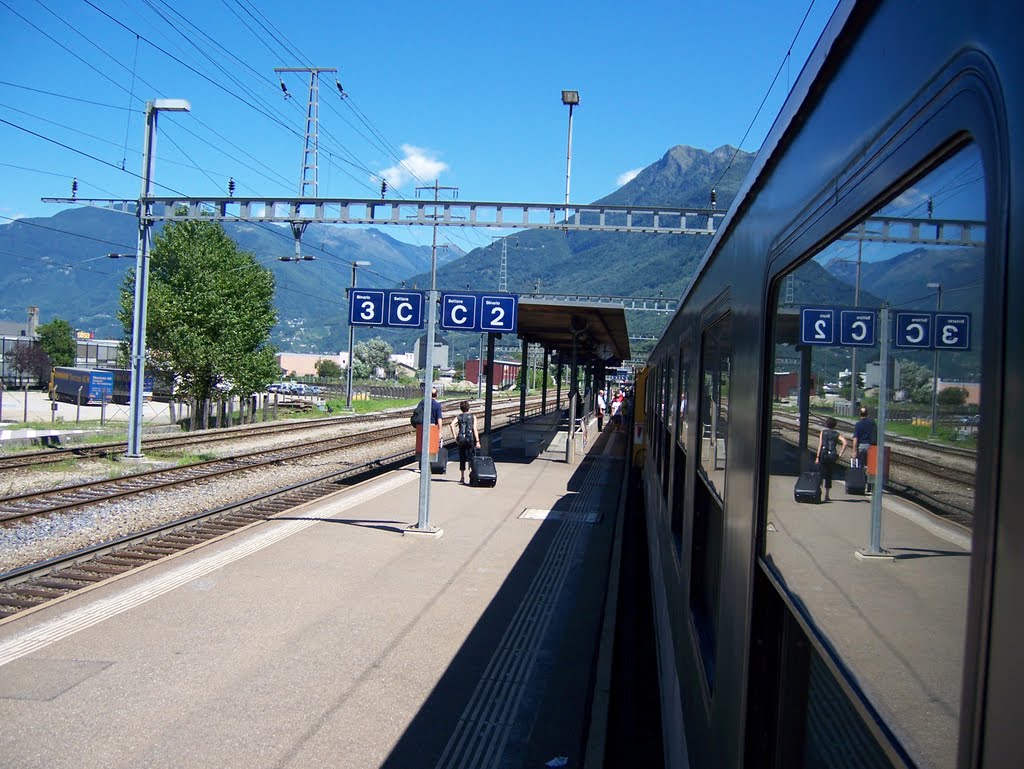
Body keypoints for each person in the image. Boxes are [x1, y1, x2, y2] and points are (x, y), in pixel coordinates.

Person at [815, 416, 848, 501]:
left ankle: (818, 491)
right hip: (832, 455)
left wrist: (817, 457)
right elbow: (845, 442)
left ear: (827, 424)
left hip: (823, 454)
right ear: (835, 425)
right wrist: (840, 454)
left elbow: (820, 445)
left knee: (821, 474)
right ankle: (827, 495)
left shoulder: (823, 432)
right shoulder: (837, 434)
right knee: (829, 475)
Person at [450, 400, 481, 485]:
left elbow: (452, 425)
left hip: (461, 439)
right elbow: (474, 429)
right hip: (470, 439)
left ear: (461, 408)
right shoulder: (472, 417)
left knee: (462, 458)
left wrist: (455, 436)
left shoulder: (459, 417)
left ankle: (462, 477)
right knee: (471, 457)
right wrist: (477, 441)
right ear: (468, 407)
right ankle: (471, 474)